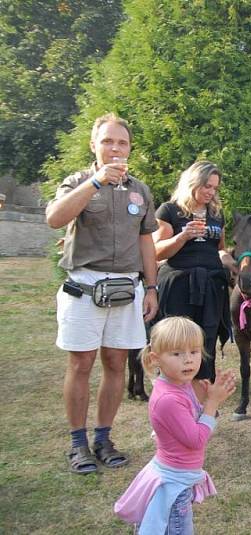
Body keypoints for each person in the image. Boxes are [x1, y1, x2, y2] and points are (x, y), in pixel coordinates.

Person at [46, 113, 159, 475]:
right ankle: (77, 443)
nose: (115, 148)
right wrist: (94, 182)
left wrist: (152, 287)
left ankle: (104, 438)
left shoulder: (140, 191)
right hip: (84, 287)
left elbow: (146, 242)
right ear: (94, 145)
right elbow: (54, 218)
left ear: (130, 148)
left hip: (126, 289)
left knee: (116, 364)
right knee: (81, 364)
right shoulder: (77, 181)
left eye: (122, 142)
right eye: (108, 141)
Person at [114, 316, 237, 533]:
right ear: (155, 359)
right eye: (177, 353)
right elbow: (196, 439)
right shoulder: (168, 399)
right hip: (173, 484)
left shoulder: (182, 385)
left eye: (194, 351)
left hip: (179, 478)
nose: (188, 360)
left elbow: (196, 421)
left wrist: (207, 401)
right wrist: (212, 402)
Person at [151, 161, 236, 382]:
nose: (211, 192)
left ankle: (201, 405)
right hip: (179, 285)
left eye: (215, 188)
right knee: (177, 341)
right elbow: (155, 252)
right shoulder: (169, 210)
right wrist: (182, 236)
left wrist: (232, 264)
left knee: (205, 342)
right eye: (207, 186)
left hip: (211, 287)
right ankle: (174, 395)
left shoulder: (217, 214)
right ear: (193, 182)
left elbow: (219, 250)